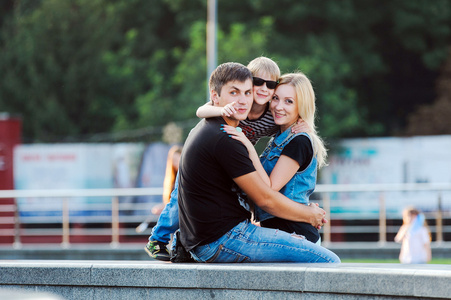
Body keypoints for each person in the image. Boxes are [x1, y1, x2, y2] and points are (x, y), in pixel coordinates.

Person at [144, 57, 308, 261]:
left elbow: (287, 120)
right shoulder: (236, 106)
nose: (264, 89)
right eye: (257, 82)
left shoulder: (271, 113)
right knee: (181, 196)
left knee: (239, 196)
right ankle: (157, 238)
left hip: (235, 158)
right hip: (212, 157)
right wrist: (221, 110)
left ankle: (187, 241)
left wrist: (301, 123)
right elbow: (200, 111)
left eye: (271, 84)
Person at [177, 61, 340, 263]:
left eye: (247, 93)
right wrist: (309, 214)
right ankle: (159, 238)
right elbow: (265, 198)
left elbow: (262, 192)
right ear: (215, 96)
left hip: (277, 228)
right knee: (329, 261)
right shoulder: (228, 137)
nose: (243, 100)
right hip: (223, 238)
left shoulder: (219, 130)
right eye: (234, 93)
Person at [222, 72, 326, 243]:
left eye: (289, 101)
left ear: (302, 106)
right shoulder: (278, 138)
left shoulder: (299, 141)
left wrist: (247, 146)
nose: (278, 106)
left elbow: (268, 189)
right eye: (276, 98)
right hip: (281, 233)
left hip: (296, 235)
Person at [137, 145, 182, 235]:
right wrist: (163, 207)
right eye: (174, 161)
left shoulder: (185, 178)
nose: (176, 164)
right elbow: (172, 200)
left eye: (178, 160)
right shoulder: (172, 179)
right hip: (174, 220)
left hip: (182, 220)